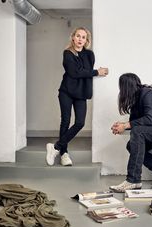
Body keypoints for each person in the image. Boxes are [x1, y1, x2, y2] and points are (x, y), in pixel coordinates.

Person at [46, 27, 108, 166]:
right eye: (78, 36)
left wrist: (90, 72)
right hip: (66, 92)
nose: (80, 39)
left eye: (83, 37)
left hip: (81, 93)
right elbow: (75, 73)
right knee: (66, 121)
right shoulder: (67, 53)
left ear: (86, 40)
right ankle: (64, 154)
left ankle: (55, 147)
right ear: (73, 37)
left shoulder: (90, 55)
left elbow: (84, 71)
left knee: (80, 123)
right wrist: (96, 72)